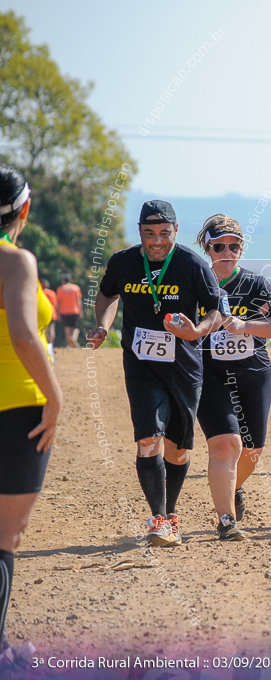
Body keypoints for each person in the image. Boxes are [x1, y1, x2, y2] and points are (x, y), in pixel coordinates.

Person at [88, 200, 228, 547]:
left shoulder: (191, 264)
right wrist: (103, 326)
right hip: (140, 364)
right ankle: (158, 519)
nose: (156, 241)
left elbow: (216, 311)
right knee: (148, 439)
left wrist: (196, 331)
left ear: (175, 232)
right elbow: (107, 295)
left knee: (177, 449)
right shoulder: (123, 262)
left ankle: (172, 513)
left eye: (164, 233)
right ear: (139, 232)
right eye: (149, 233)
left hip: (183, 366)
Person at [194, 214, 271, 541]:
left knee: (251, 451)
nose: (227, 252)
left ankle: (232, 486)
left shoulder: (256, 285)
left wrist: (245, 325)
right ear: (207, 247)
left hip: (253, 372)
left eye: (234, 246)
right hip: (210, 374)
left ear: (242, 248)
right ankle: (226, 520)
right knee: (225, 445)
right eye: (219, 246)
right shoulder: (196, 282)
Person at [0, 165, 62, 666]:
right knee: (5, 535)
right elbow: (24, 335)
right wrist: (56, 396)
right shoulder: (16, 260)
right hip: (17, 407)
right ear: (23, 210)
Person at [55, 273, 83, 348]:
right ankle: (73, 339)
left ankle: (70, 343)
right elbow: (79, 301)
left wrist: (58, 313)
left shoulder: (60, 289)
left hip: (64, 311)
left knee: (67, 328)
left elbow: (58, 303)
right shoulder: (76, 288)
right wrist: (81, 311)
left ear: (63, 281)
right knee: (75, 328)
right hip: (75, 310)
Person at [40, 278, 57, 357]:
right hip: (52, 313)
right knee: (51, 330)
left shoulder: (40, 293)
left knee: (44, 331)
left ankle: (46, 345)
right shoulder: (52, 293)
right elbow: (55, 304)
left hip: (43, 314)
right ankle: (51, 345)